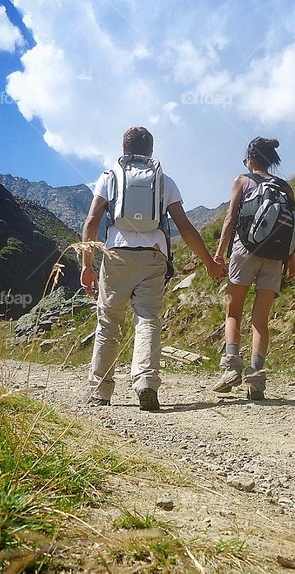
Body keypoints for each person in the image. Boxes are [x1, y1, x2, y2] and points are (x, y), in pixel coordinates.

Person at [81, 126, 225, 411]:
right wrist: (209, 263)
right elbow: (185, 227)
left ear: (124, 149)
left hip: (116, 254)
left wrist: (87, 264)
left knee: (109, 322)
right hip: (153, 256)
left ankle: (101, 391)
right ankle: (146, 382)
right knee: (147, 320)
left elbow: (92, 220)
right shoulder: (164, 181)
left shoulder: (109, 177)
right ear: (151, 150)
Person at [211, 137, 295, 400]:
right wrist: (291, 261)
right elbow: (293, 225)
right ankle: (256, 380)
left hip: (244, 251)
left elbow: (230, 219)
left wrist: (218, 254)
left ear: (250, 157)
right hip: (275, 257)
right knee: (260, 320)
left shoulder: (242, 180)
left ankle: (231, 368)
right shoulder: (284, 186)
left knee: (233, 312)